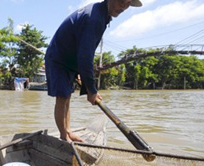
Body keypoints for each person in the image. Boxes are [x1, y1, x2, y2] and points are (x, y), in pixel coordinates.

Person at [45, 0, 142, 142]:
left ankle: (68, 130)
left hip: (70, 60)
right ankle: (64, 135)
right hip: (59, 59)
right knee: (62, 97)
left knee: (67, 98)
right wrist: (91, 90)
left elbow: (83, 50)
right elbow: (85, 56)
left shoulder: (102, 14)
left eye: (128, 3)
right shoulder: (94, 17)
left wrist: (87, 84)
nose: (123, 6)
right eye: (121, 1)